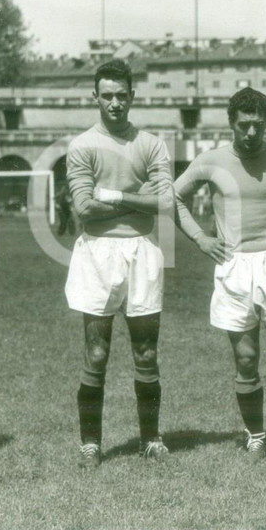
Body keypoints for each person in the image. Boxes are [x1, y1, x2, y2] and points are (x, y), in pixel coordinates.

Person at [174, 88, 266, 462]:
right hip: (233, 266)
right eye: (244, 125)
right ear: (231, 123)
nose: (252, 133)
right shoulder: (211, 160)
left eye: (259, 124)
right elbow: (173, 196)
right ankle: (256, 435)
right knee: (246, 360)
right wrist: (199, 238)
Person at [64, 59, 174, 469]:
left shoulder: (151, 144)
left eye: (121, 95)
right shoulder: (81, 146)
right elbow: (84, 209)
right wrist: (134, 196)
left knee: (146, 352)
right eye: (106, 95)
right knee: (96, 352)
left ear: (133, 96)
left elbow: (165, 201)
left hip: (142, 252)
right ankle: (91, 443)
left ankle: (151, 438)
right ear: (95, 97)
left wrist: (110, 195)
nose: (114, 103)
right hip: (96, 253)